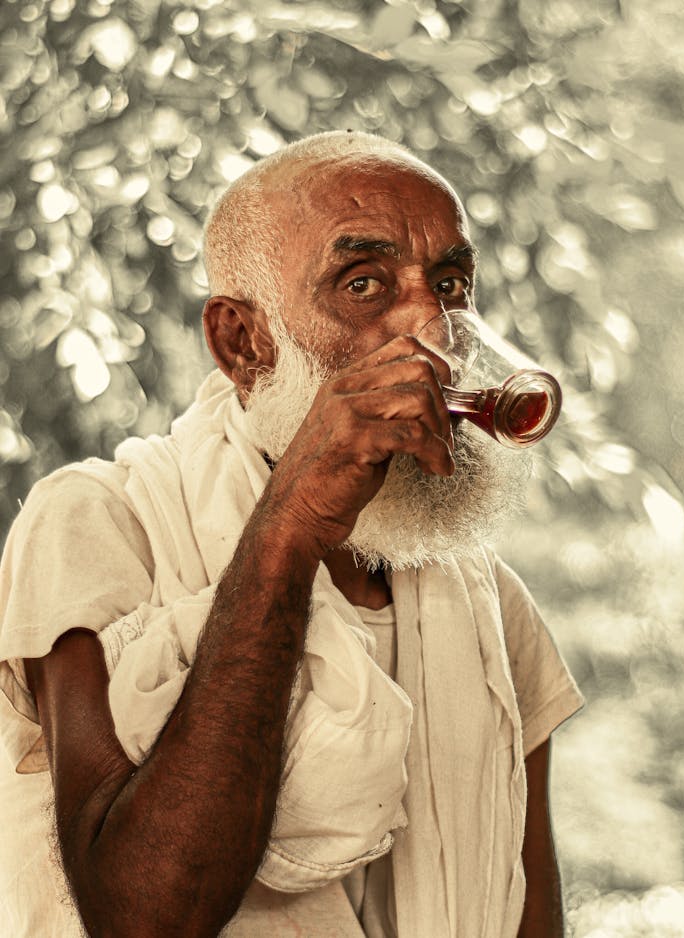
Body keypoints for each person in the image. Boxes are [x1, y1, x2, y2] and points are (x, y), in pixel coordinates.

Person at [0, 130, 583, 938]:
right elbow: (140, 917)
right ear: (244, 342)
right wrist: (291, 526)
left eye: (450, 284)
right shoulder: (97, 522)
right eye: (364, 282)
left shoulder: (493, 608)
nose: (435, 331)